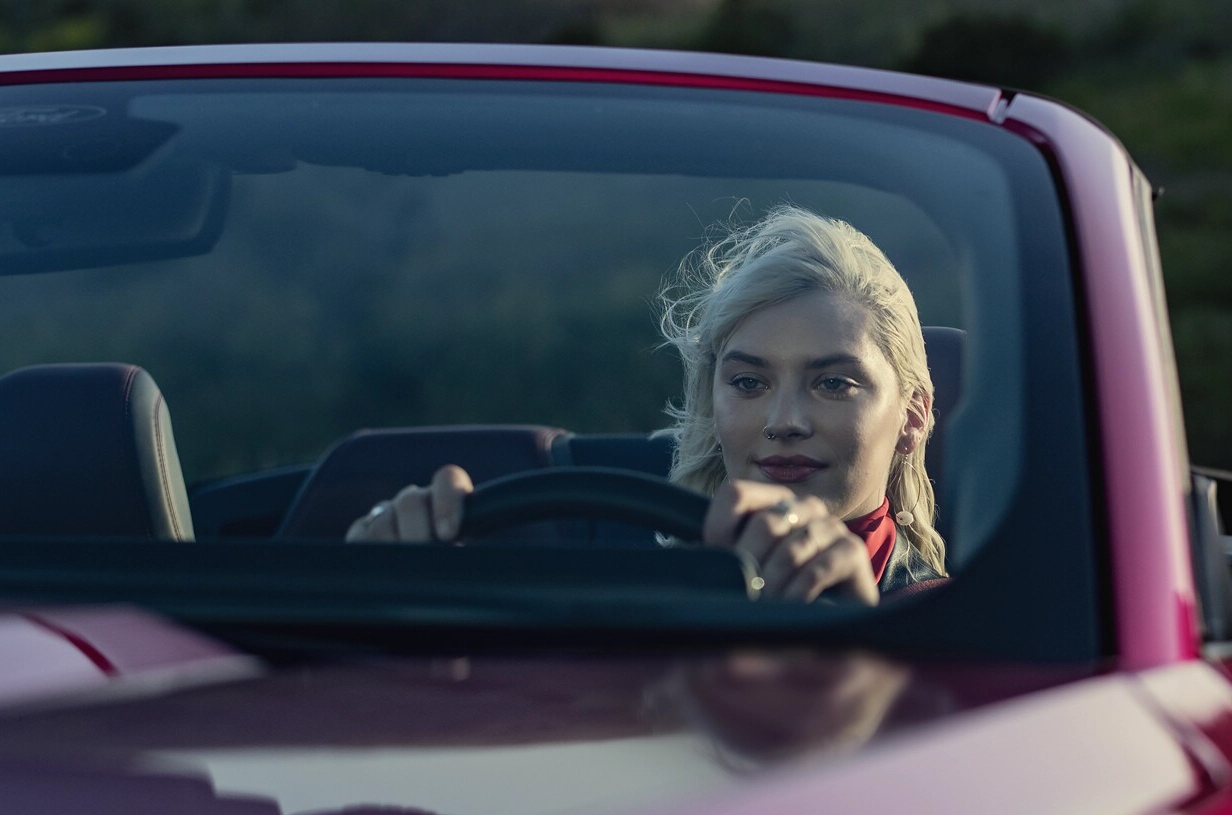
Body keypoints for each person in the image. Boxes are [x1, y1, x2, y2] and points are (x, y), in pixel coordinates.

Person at [345, 206, 948, 605]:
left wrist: (864, 636)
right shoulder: (629, 595)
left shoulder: (960, 627)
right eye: (747, 383)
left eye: (834, 384)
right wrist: (405, 597)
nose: (783, 421)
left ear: (914, 415)